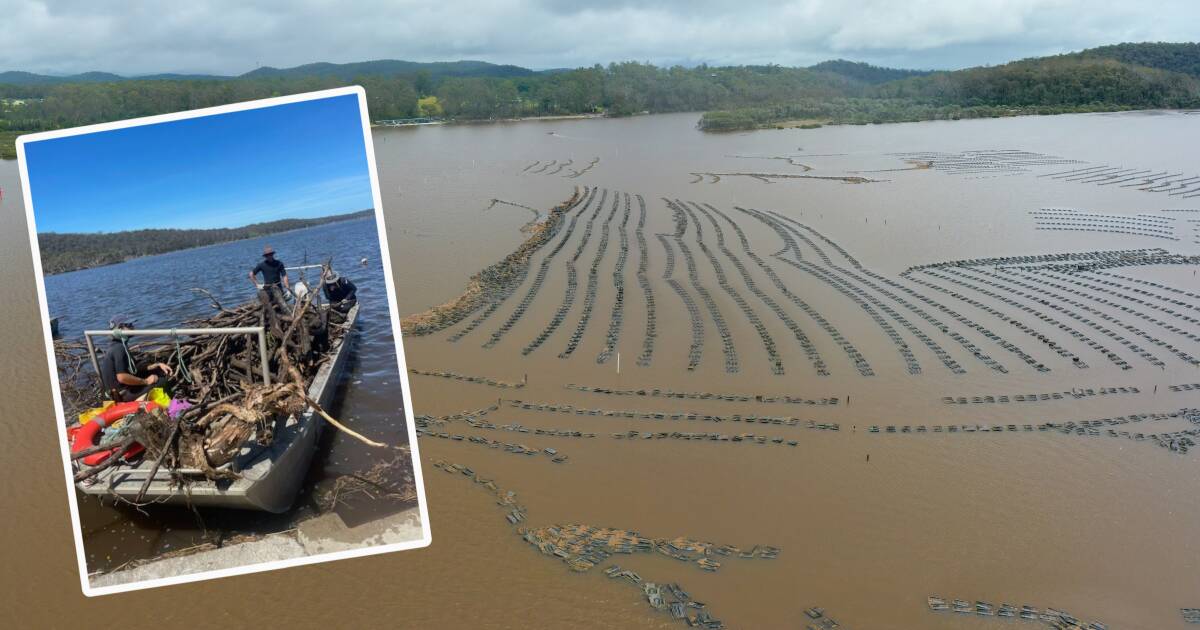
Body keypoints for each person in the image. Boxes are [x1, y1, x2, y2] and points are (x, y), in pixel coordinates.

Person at [97, 315, 174, 403]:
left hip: (121, 391)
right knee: (162, 381)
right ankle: (171, 407)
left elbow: (134, 368)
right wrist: (146, 381)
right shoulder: (119, 349)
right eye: (129, 325)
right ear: (120, 329)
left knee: (158, 371)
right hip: (122, 395)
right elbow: (122, 377)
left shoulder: (116, 345)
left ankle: (146, 398)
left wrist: (157, 365)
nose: (133, 327)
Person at [249, 245, 290, 311]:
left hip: (278, 288)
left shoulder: (279, 263)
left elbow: (284, 276)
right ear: (265, 256)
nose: (269, 256)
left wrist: (288, 289)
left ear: (273, 254)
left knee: (282, 307)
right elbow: (251, 274)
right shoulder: (262, 265)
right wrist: (257, 285)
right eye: (267, 255)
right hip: (268, 289)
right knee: (270, 308)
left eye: (270, 254)